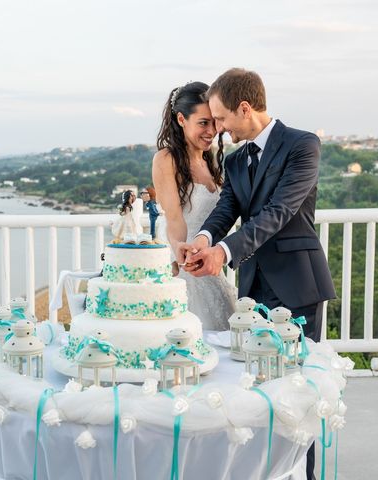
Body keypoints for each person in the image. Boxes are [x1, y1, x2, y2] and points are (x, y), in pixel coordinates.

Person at [179, 68, 336, 480]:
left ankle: (305, 474)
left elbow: (279, 213)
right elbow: (227, 207)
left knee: (298, 391)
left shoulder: (303, 145)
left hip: (298, 284)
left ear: (244, 108)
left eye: (223, 118)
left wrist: (224, 251)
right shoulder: (235, 159)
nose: (219, 128)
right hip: (252, 288)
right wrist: (204, 239)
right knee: (256, 388)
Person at [152, 81, 236, 331]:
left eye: (214, 122)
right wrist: (178, 246)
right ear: (181, 119)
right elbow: (174, 218)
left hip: (211, 266)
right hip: (184, 265)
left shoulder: (209, 161)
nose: (212, 130)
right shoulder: (166, 159)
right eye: (203, 123)